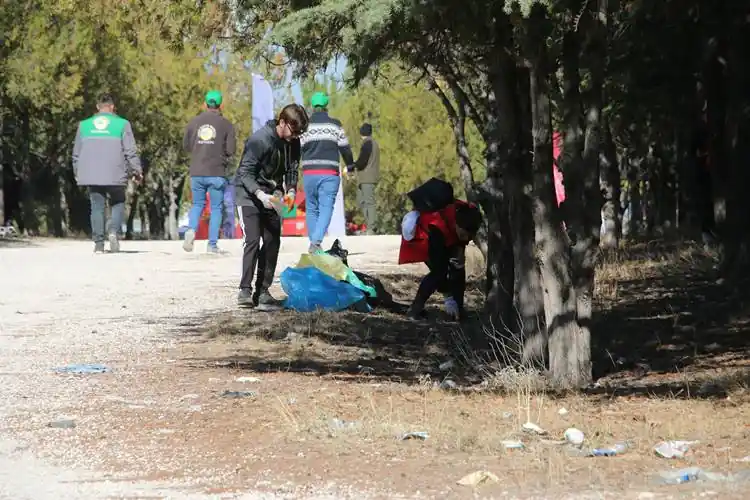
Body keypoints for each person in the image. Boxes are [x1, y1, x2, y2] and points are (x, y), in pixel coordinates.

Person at [234, 103, 309, 308]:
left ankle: (263, 291)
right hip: (248, 194)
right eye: (294, 132)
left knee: (272, 241)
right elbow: (245, 172)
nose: (295, 137)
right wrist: (259, 194)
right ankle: (245, 291)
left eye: (299, 134)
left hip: (272, 195)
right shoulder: (260, 140)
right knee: (252, 240)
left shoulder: (293, 143)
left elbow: (293, 169)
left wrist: (291, 190)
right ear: (282, 122)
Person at [72, 93, 142, 253]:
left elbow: (76, 153)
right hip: (115, 172)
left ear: (97, 107)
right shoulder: (122, 124)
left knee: (96, 206)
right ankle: (113, 232)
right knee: (118, 202)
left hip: (91, 173)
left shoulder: (84, 125)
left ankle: (98, 244)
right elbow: (130, 151)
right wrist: (136, 170)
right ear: (112, 107)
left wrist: (78, 172)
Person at [398, 199, 483, 321]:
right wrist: (449, 297)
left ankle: (459, 310)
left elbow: (457, 268)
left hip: (448, 235)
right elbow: (439, 269)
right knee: (438, 273)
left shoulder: (467, 219)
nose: (467, 239)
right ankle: (415, 310)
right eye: (465, 235)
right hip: (424, 237)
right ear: (457, 226)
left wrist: (457, 304)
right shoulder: (437, 227)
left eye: (470, 236)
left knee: (458, 267)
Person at [182, 90, 237, 253]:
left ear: (205, 104)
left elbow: (186, 146)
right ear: (221, 105)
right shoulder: (226, 124)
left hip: (197, 171)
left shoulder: (194, 122)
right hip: (216, 171)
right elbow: (231, 150)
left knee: (197, 204)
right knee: (216, 208)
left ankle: (191, 230)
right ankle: (212, 245)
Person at [299, 92, 354, 254]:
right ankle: (315, 242)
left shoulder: (305, 127)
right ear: (326, 106)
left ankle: (314, 242)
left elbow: (298, 149)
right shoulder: (335, 125)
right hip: (329, 173)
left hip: (309, 173)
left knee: (311, 208)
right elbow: (345, 148)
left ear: (312, 106)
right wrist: (350, 165)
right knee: (326, 207)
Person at [346, 122, 380, 235]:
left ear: (361, 133)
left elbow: (362, 161)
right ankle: (370, 225)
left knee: (369, 202)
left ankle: (372, 227)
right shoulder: (372, 143)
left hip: (367, 177)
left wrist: (351, 166)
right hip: (365, 177)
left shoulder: (367, 143)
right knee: (362, 201)